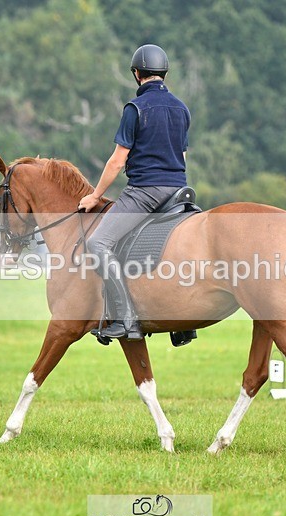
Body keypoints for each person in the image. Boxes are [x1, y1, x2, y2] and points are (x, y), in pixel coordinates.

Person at [78, 44, 191, 340]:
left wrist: (95, 196)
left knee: (98, 243)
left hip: (145, 191)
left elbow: (117, 161)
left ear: (137, 73)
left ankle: (125, 318)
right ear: (164, 73)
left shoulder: (135, 108)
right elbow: (182, 155)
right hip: (179, 191)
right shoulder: (181, 108)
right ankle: (184, 324)